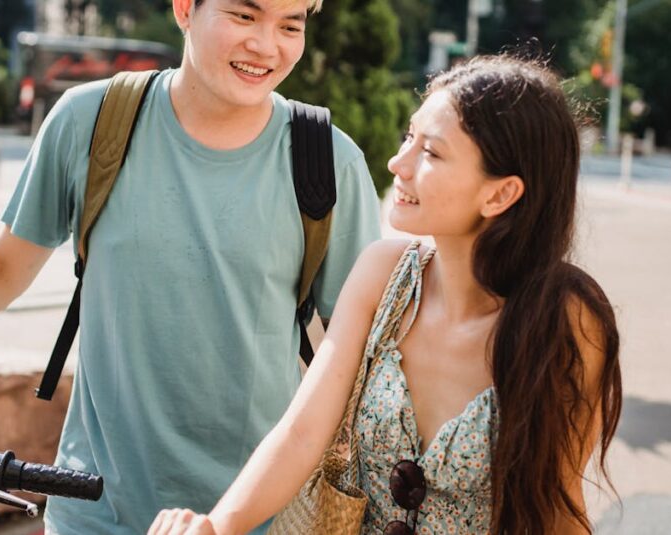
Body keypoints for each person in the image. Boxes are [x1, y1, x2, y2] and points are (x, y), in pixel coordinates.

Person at [0, 0, 381, 532]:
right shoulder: (92, 122)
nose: (266, 46)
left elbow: (362, 354)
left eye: (290, 26)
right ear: (185, 7)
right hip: (93, 508)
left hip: (257, 517)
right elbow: (1, 272)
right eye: (244, 15)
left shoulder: (328, 160)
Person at [150, 54, 623, 535]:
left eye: (432, 153)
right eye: (408, 138)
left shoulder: (566, 319)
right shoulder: (384, 274)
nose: (399, 163)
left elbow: (559, 503)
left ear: (499, 195)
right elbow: (301, 433)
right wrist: (216, 525)